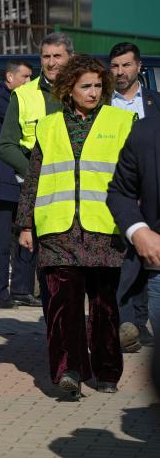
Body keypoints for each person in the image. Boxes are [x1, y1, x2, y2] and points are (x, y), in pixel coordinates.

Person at [17, 55, 134, 400]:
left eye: (99, 85)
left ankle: (107, 372)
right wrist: (25, 224)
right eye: (86, 86)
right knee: (62, 305)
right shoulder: (48, 126)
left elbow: (134, 176)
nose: (94, 92)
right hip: (58, 231)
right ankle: (69, 370)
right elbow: (33, 179)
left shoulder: (122, 121)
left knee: (104, 307)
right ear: (69, 88)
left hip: (104, 229)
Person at [0, 32, 74, 316]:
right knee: (51, 272)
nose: (52, 63)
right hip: (43, 196)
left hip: (82, 196)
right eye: (46, 57)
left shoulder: (86, 89)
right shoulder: (23, 95)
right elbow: (6, 145)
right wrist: (35, 172)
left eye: (58, 56)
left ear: (70, 57)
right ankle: (55, 333)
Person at [108, 42, 160, 352]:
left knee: (145, 268)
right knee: (124, 266)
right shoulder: (101, 103)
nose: (120, 72)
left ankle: (138, 324)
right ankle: (125, 323)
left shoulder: (154, 103)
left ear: (138, 66)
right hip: (118, 196)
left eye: (126, 65)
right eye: (115, 66)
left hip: (149, 197)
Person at [0, 60, 40, 309]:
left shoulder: (25, 98)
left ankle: (22, 289)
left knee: (28, 235)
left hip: (25, 181)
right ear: (9, 77)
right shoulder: (0, 99)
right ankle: (0, 292)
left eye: (32, 77)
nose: (29, 82)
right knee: (0, 240)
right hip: (4, 180)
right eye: (25, 76)